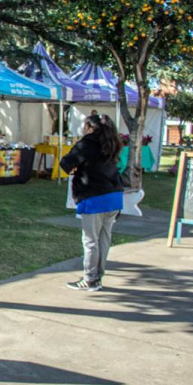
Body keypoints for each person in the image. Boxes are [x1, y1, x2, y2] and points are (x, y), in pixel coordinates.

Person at [60, 114, 124, 292]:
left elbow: (66, 162)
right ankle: (97, 276)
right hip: (114, 195)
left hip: (94, 196)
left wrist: (75, 167)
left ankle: (90, 279)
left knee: (90, 240)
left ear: (89, 127)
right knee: (104, 238)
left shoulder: (87, 142)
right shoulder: (112, 142)